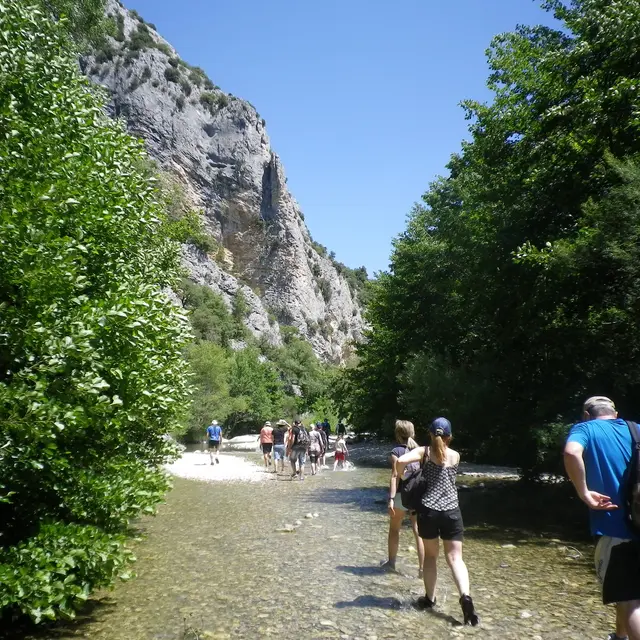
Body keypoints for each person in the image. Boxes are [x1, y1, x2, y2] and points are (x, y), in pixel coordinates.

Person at [564, 396, 640, 640]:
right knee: (627, 589)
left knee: (629, 599)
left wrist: (584, 493)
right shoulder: (636, 429)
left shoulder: (585, 429)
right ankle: (619, 636)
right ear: (615, 414)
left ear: (587, 415)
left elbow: (571, 452)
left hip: (614, 526)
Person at [397, 417, 479, 627]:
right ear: (450, 437)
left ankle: (429, 599)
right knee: (456, 559)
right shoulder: (456, 456)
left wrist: (404, 477)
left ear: (430, 434)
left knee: (431, 557)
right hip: (452, 511)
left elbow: (400, 461)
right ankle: (465, 597)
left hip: (429, 511)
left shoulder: (424, 452)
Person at [382, 420, 425, 578]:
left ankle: (391, 563)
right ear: (412, 433)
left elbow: (395, 476)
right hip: (418, 495)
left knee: (394, 529)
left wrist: (391, 498)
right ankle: (422, 569)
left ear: (398, 434)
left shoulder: (396, 451)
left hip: (401, 495)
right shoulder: (421, 451)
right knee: (418, 531)